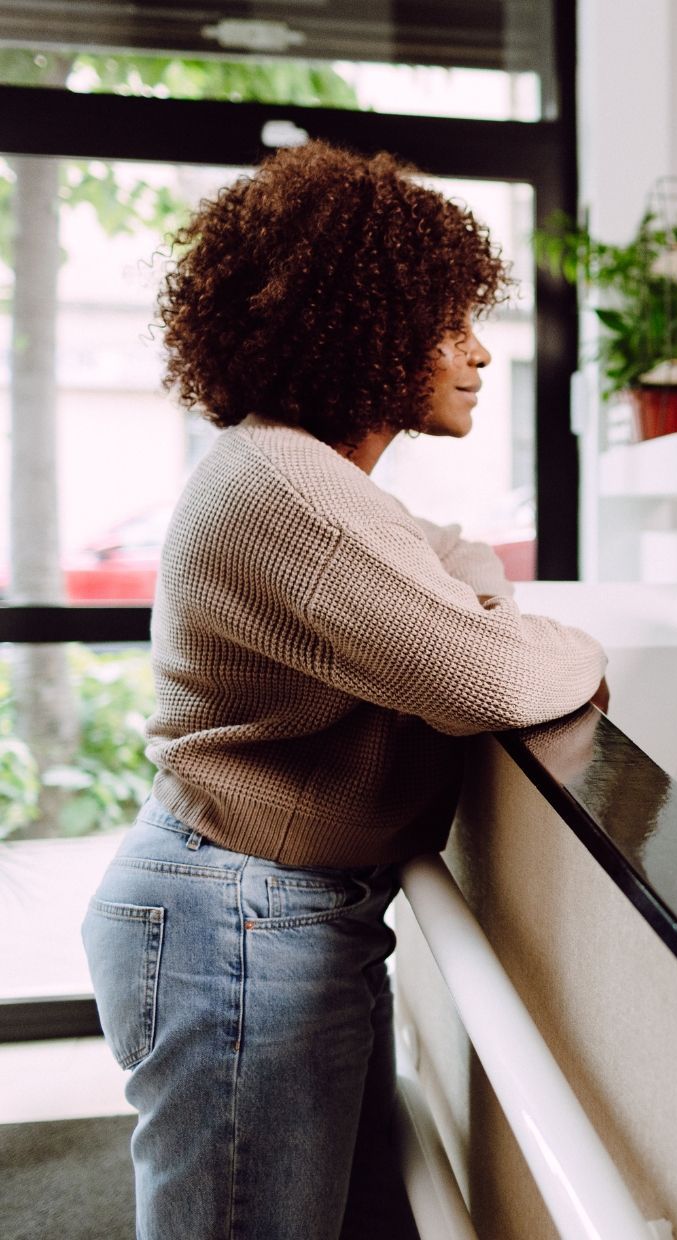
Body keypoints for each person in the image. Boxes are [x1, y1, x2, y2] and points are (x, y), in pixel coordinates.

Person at [80, 142, 608, 1239]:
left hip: (275, 910)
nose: (478, 354)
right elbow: (491, 674)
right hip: (240, 918)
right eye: (448, 324)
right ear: (359, 326)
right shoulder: (284, 486)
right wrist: (579, 648)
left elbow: (461, 567)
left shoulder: (309, 475)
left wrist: (481, 617)